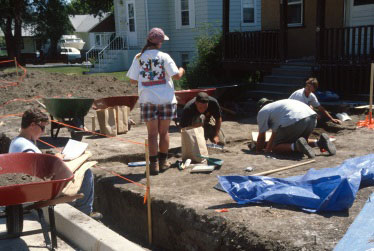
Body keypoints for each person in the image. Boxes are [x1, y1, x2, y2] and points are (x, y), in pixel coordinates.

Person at [8, 108, 102, 220]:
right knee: (86, 172)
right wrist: (57, 160)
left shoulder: (18, 141)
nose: (43, 132)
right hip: (38, 192)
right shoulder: (27, 148)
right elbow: (38, 174)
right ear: (32, 125)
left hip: (29, 189)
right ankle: (85, 212)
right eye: (42, 128)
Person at [127, 27, 185, 175]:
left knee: (152, 134)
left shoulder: (139, 57)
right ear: (159, 42)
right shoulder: (164, 57)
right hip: (166, 99)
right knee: (164, 132)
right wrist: (182, 69)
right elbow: (177, 76)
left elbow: (133, 81)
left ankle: (153, 166)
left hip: (147, 100)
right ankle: (163, 162)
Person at [256, 98, 336, 158]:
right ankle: (320, 143)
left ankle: (297, 146)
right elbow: (274, 134)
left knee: (276, 147)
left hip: (296, 120)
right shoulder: (277, 107)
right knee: (301, 141)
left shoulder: (263, 111)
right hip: (312, 118)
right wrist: (267, 149)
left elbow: (261, 137)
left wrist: (259, 150)